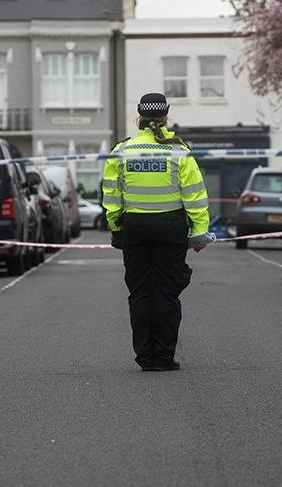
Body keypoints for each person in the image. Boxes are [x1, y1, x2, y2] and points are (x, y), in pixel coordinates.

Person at [101, 93, 215, 372]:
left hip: (135, 229)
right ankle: (163, 357)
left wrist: (116, 228)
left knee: (139, 292)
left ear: (138, 118)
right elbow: (195, 196)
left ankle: (145, 357)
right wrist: (200, 233)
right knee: (166, 293)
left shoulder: (122, 151)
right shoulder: (179, 151)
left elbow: (111, 196)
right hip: (170, 229)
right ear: (166, 118)